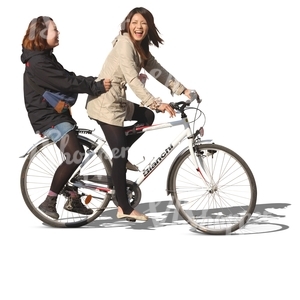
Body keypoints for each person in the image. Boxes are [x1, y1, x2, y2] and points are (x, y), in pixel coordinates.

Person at [86, 7, 199, 222]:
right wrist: (156, 103)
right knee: (119, 153)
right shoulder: (124, 44)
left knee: (147, 118)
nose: (139, 27)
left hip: (118, 102)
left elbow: (157, 71)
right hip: (105, 104)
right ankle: (124, 208)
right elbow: (132, 78)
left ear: (149, 27)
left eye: (144, 23)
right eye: (135, 22)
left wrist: (182, 89)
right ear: (128, 23)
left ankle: (122, 152)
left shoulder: (140, 47)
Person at [21, 16, 111, 219]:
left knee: (74, 155)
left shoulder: (44, 57)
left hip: (54, 113)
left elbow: (67, 77)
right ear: (43, 34)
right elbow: (66, 83)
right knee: (75, 154)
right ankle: (50, 201)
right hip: (46, 117)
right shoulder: (38, 62)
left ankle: (72, 197)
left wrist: (92, 81)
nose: (58, 33)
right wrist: (94, 86)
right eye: (55, 29)